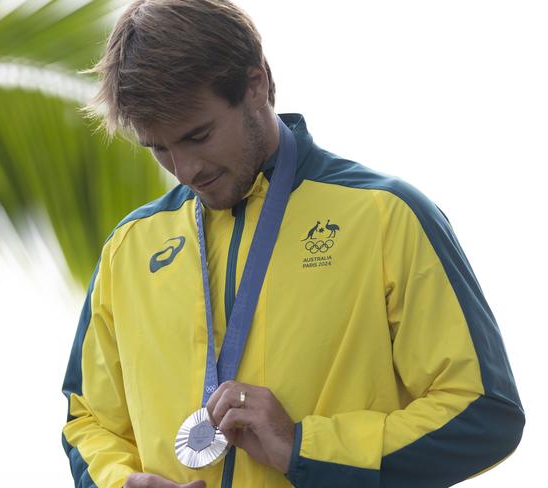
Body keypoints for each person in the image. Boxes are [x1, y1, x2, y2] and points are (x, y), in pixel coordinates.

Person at [61, 1, 525, 487]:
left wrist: (305, 446)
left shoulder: (386, 216)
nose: (184, 169)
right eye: (157, 147)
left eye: (199, 135)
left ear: (255, 83)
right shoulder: (129, 249)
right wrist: (118, 483)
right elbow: (87, 419)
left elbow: (483, 413)